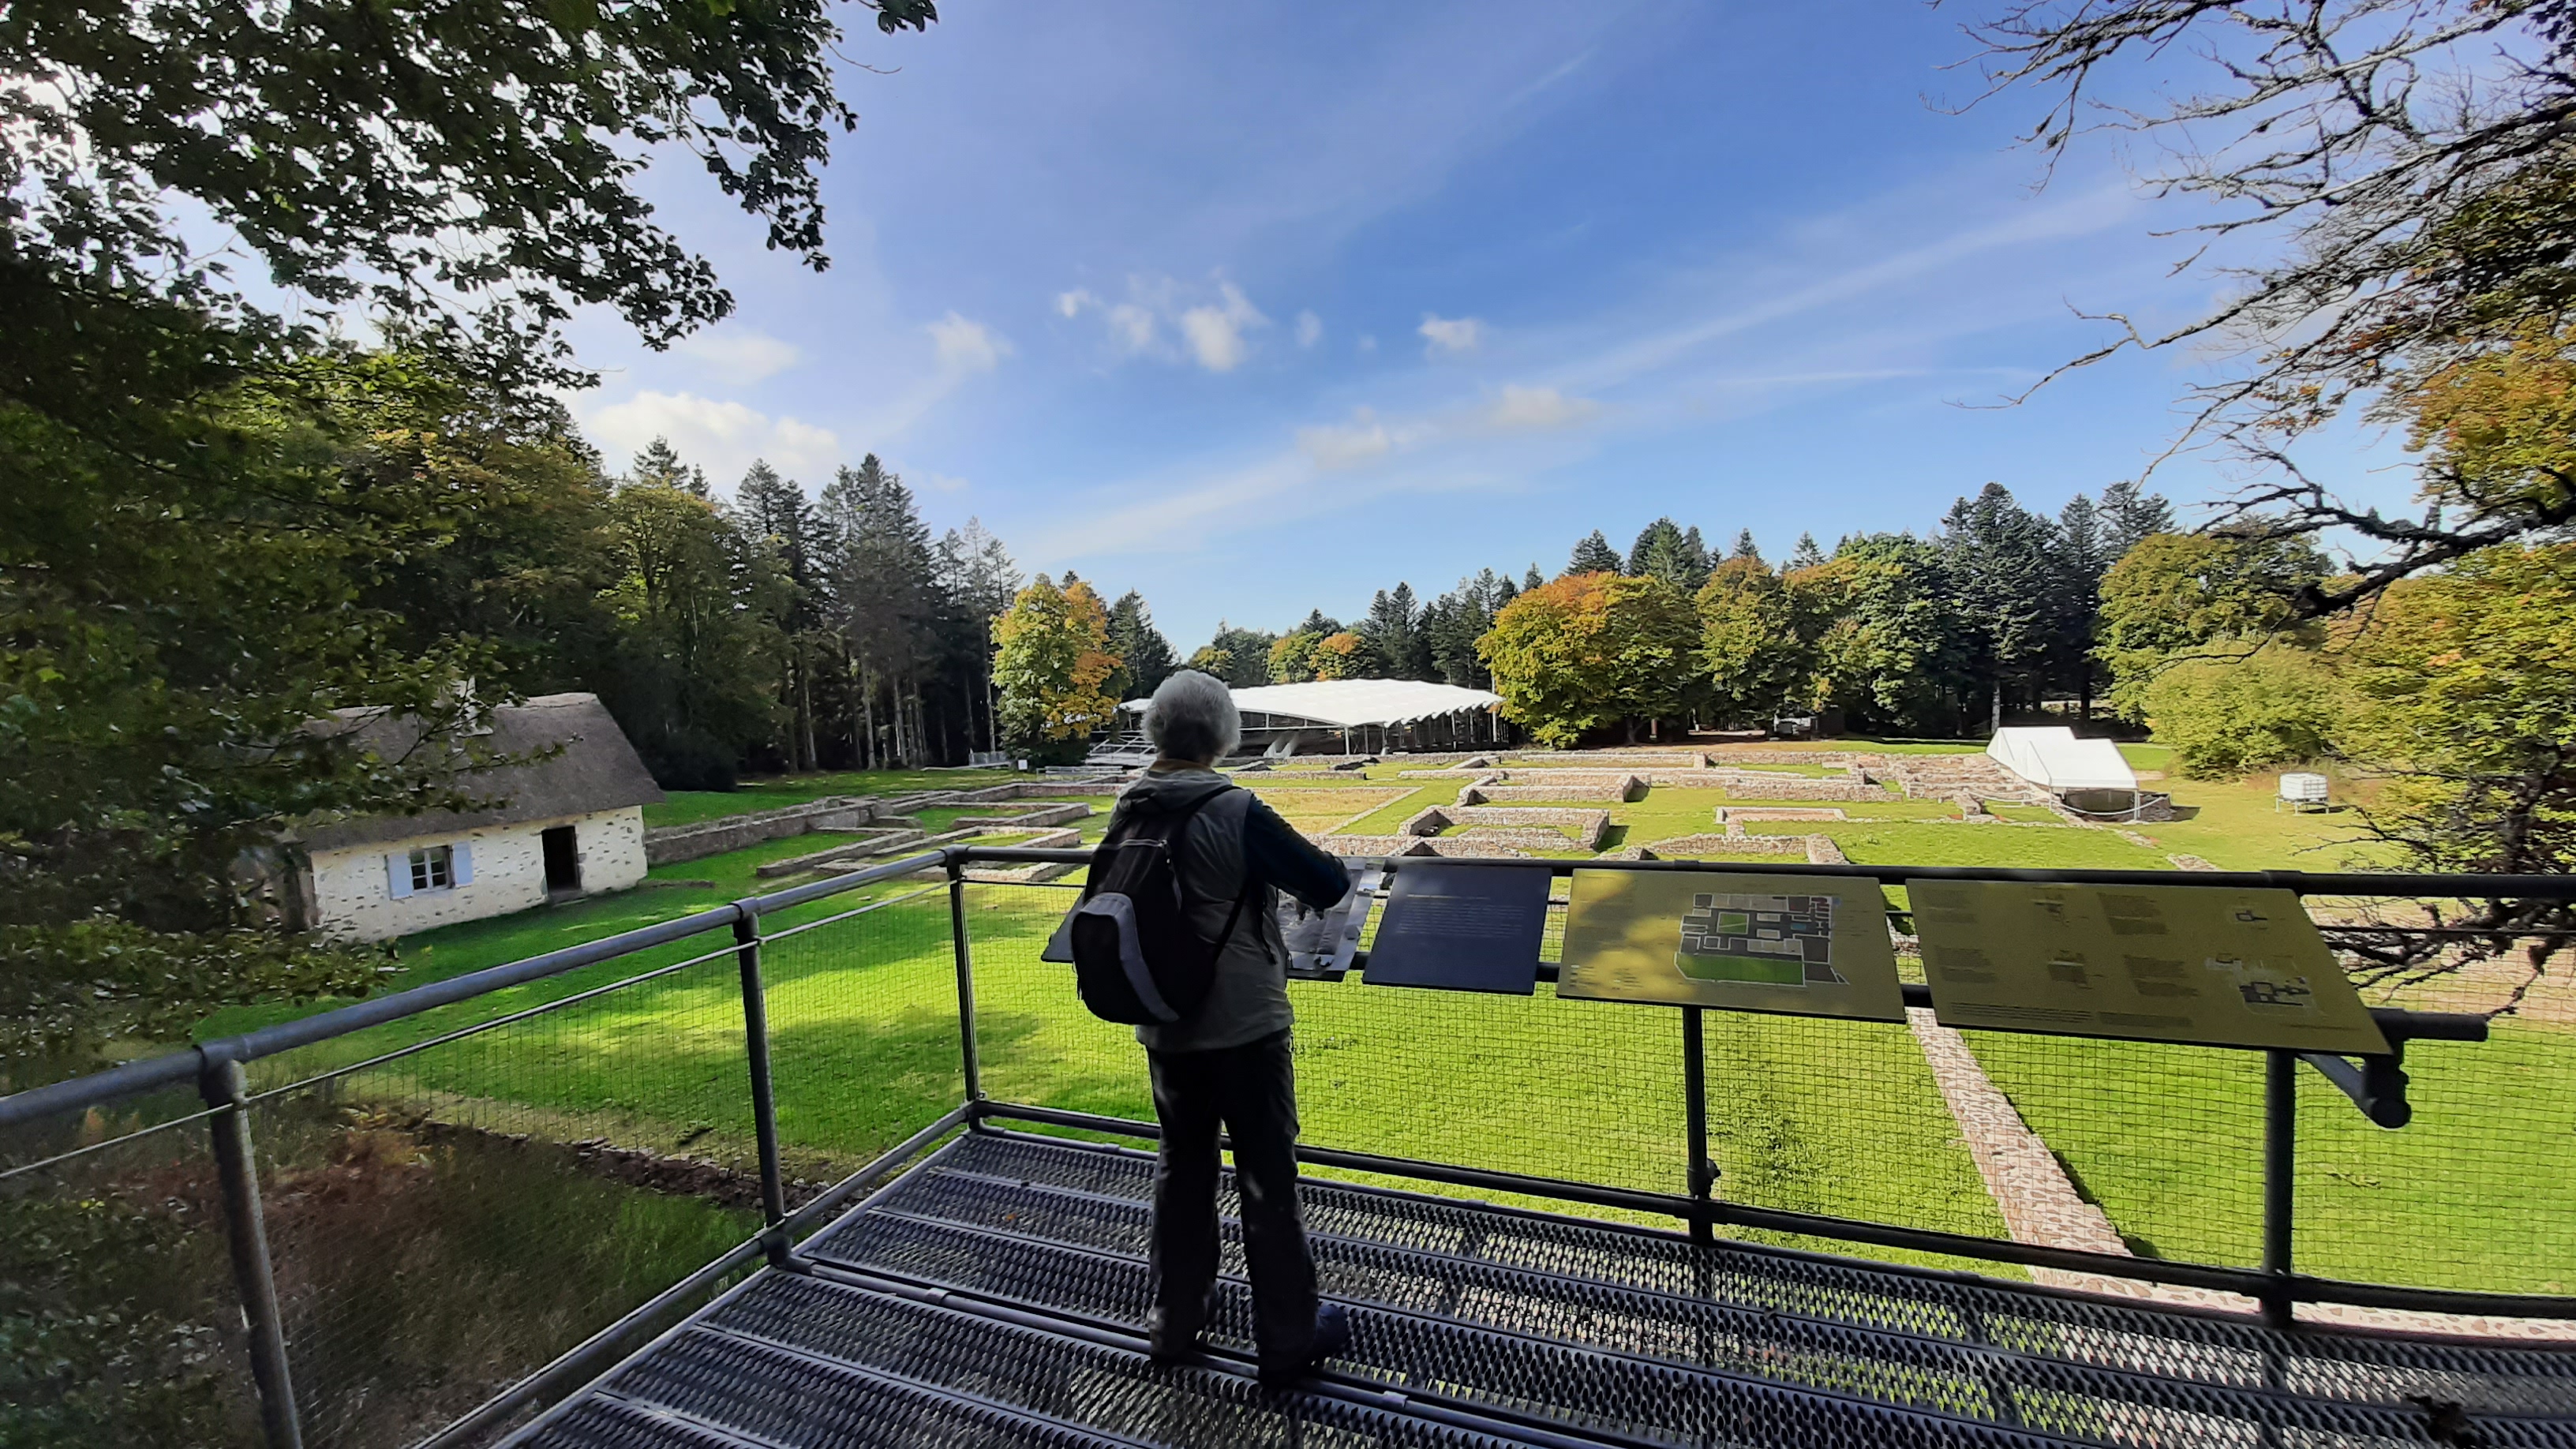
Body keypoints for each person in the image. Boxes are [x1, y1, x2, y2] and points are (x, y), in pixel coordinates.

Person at [1116, 670, 1354, 1387]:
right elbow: (1327, 881)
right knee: (1266, 1176)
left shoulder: (1131, 803)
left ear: (1155, 732)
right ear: (1225, 736)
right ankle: (1286, 1335)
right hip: (1244, 1022)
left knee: (1181, 1167)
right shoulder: (1235, 808)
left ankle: (1173, 1318)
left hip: (1164, 1017)